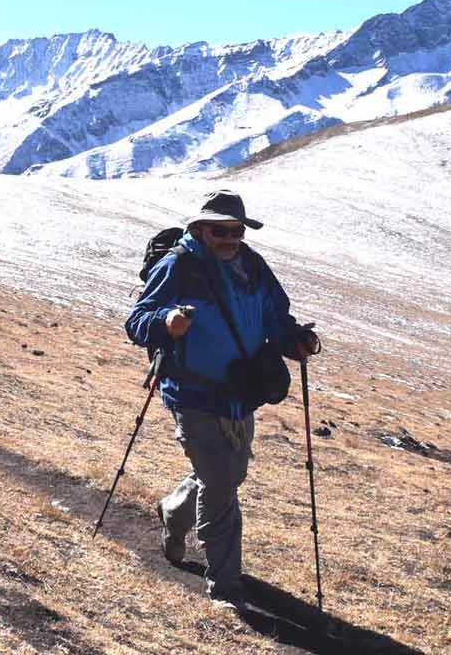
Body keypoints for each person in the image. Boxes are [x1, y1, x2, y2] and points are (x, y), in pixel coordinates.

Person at [124, 190, 321, 612]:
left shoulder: (252, 265)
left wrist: (296, 341)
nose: (231, 237)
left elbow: (274, 318)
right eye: (221, 230)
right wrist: (166, 322)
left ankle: (173, 511)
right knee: (220, 488)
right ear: (200, 228)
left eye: (237, 230)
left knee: (228, 477)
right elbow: (137, 320)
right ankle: (225, 586)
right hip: (192, 393)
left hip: (240, 393)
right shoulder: (178, 266)